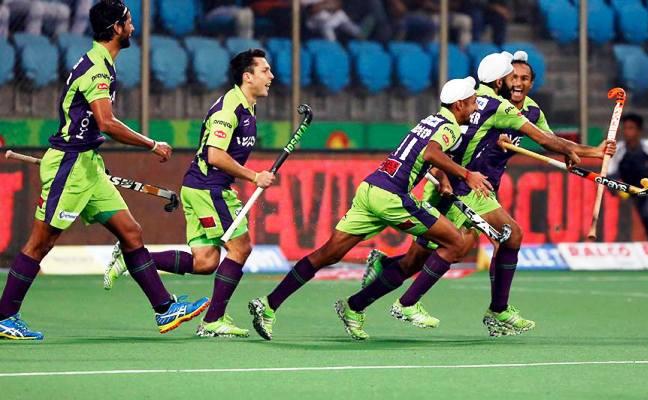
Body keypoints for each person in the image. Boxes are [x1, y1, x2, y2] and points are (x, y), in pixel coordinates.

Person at [360, 51, 616, 337]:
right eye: (512, 77)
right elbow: (544, 141)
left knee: (503, 237)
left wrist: (592, 151)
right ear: (501, 81)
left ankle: (494, 309)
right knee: (426, 257)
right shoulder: (488, 104)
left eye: (523, 78)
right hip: (460, 181)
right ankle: (397, 298)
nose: (517, 82)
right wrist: (570, 150)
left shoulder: (527, 110)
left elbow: (549, 141)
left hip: (481, 187)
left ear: (532, 83)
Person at [0, 0, 209, 341]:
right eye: (128, 20)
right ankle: (5, 315)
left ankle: (164, 308)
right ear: (116, 28)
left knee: (131, 232)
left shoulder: (101, 63)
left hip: (88, 166)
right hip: (69, 167)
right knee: (40, 243)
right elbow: (107, 123)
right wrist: (151, 144)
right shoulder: (97, 68)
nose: (132, 24)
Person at [248, 76, 493, 341]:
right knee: (457, 243)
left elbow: (427, 155)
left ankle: (271, 304)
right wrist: (467, 175)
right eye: (472, 103)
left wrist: (444, 179)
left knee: (327, 254)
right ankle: (407, 302)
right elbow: (431, 153)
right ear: (458, 105)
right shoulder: (450, 128)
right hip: (392, 197)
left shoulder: (430, 121)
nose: (476, 108)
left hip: (370, 190)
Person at [104, 49, 276, 338]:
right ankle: (213, 321)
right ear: (248, 77)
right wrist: (254, 176)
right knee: (240, 248)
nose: (271, 76)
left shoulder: (247, 107)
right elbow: (215, 155)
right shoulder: (228, 109)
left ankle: (133, 256)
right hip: (209, 189)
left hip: (204, 188)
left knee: (206, 262)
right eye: (265, 71)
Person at [607, 113, 648, 259]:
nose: (628, 132)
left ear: (639, 131)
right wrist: (620, 190)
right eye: (625, 128)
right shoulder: (618, 151)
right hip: (634, 192)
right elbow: (610, 175)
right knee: (646, 220)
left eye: (631, 128)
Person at [5, 0, 70, 36]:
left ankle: (59, 48)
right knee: (36, 7)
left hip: (35, 3)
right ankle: (33, 44)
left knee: (64, 10)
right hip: (11, 3)